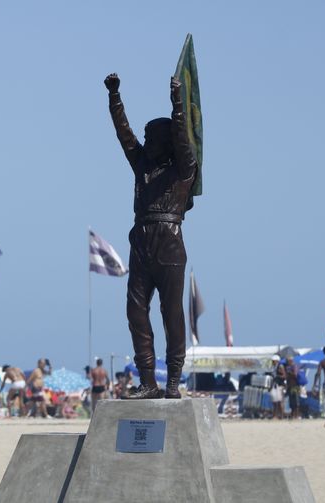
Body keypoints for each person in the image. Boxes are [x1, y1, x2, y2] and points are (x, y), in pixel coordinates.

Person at [104, 73, 198, 399]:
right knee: (135, 311)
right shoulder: (142, 165)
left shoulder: (183, 168)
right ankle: (148, 381)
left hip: (170, 241)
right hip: (141, 241)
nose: (144, 140)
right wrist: (114, 97)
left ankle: (173, 380)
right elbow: (124, 136)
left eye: (150, 136)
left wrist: (177, 104)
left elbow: (184, 139)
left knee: (171, 312)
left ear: (165, 139)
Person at [270, 355, 286, 420]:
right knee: (274, 401)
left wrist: (277, 376)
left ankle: (281, 416)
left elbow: (284, 376)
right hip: (275, 385)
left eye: (273, 361)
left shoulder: (280, 366)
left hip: (279, 385)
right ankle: (275, 415)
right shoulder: (274, 367)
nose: (272, 362)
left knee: (279, 401)